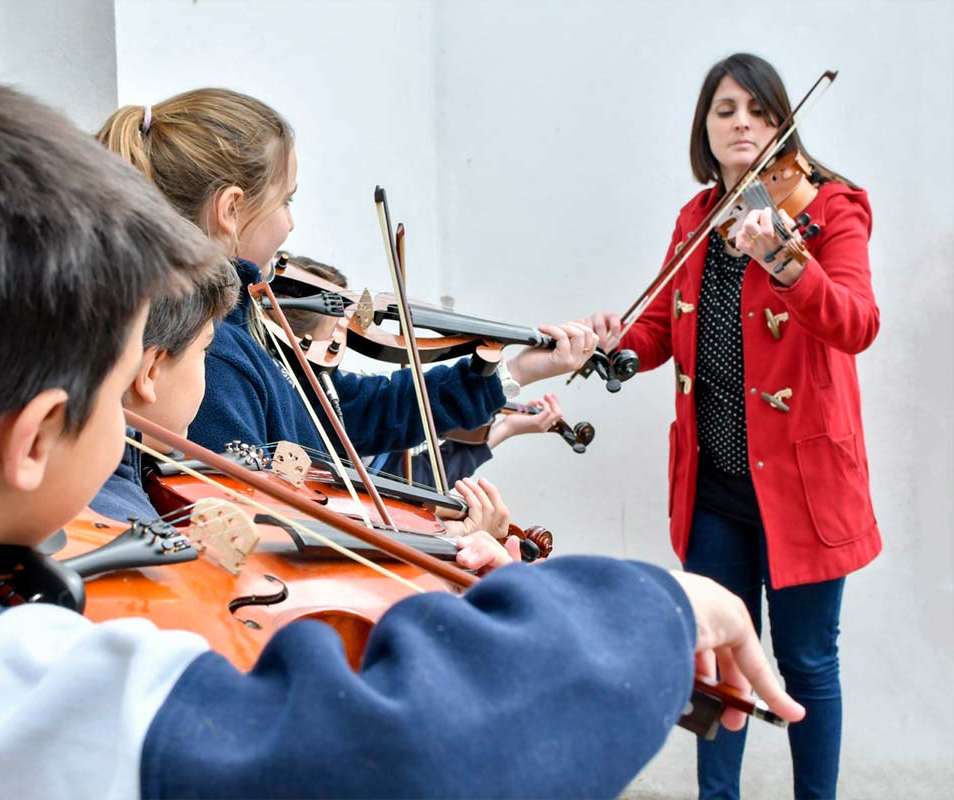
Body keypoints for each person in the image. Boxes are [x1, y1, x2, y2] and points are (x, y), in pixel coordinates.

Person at [0, 61, 804, 799]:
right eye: (131, 379)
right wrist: (656, 603)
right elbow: (383, 757)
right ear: (34, 437)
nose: (148, 413)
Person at [587, 53, 877, 799]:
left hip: (803, 486)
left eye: (758, 109)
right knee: (717, 659)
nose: (742, 121)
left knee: (809, 660)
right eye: (725, 110)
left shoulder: (832, 209)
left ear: (782, 123)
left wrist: (786, 258)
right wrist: (617, 345)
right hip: (715, 482)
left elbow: (857, 324)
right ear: (705, 129)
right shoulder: (696, 218)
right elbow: (659, 329)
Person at [95, 92, 599, 459]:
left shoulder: (244, 324)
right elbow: (252, 513)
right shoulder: (213, 351)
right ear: (231, 209)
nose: (291, 223)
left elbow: (348, 412)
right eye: (286, 200)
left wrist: (514, 371)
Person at [87, 253, 518, 572]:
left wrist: (441, 542)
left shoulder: (119, 484)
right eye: (203, 351)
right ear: (150, 370)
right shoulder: (123, 521)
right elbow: (266, 561)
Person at [276, 252, 564, 488]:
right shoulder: (319, 401)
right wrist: (506, 414)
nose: (344, 340)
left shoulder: (319, 390)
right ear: (300, 341)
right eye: (334, 334)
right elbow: (419, 479)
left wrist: (507, 422)